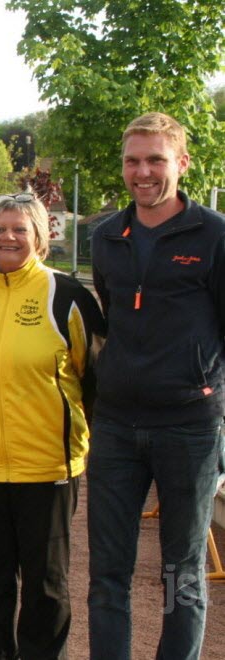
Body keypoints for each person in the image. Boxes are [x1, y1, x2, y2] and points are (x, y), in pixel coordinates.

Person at [87, 112, 225, 660]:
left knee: (182, 571)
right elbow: (112, 313)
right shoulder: (106, 238)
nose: (143, 172)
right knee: (108, 571)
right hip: (118, 424)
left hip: (189, 424)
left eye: (155, 160)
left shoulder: (214, 235)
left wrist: (212, 402)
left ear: (182, 163)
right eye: (133, 161)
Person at [0, 193, 104, 660]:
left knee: (46, 585)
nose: (8, 237)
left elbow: (94, 377)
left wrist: (70, 435)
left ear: (40, 236)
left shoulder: (69, 296)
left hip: (48, 466)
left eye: (19, 229)